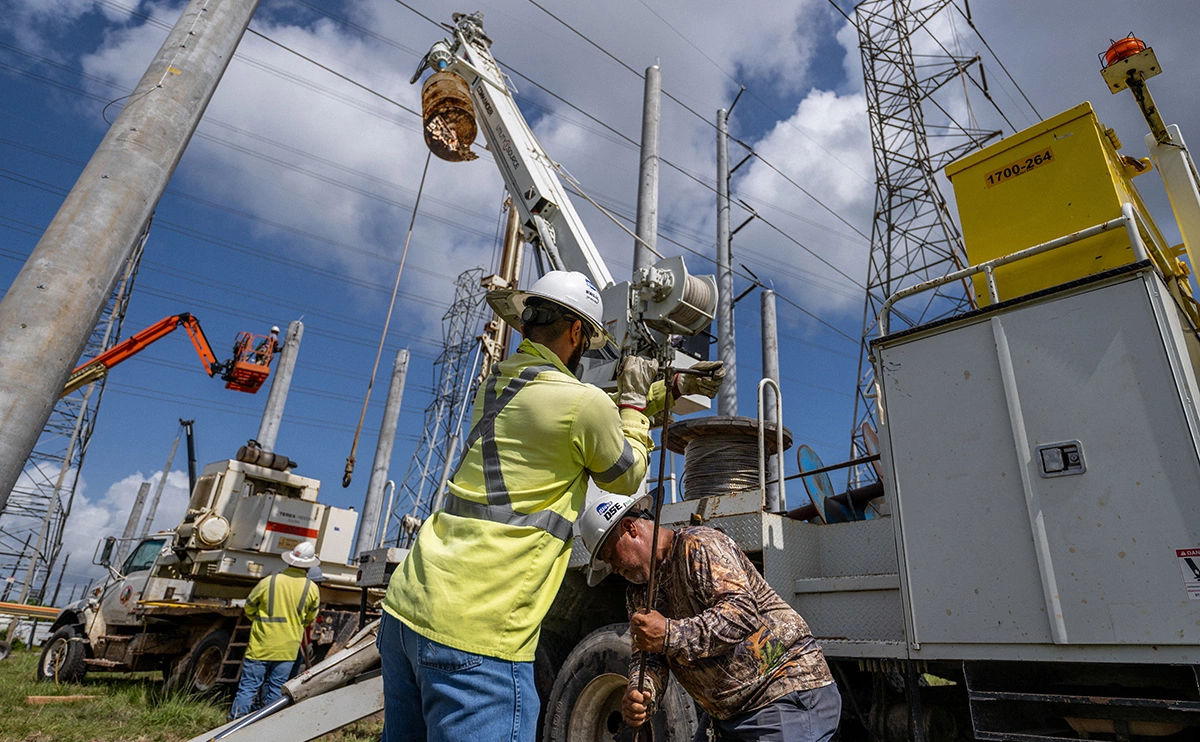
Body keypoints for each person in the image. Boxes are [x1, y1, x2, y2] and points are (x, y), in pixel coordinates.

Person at [377, 270, 724, 742]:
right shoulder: (580, 407)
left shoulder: (496, 389)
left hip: (408, 612)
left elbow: (580, 412)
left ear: (526, 323)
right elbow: (625, 473)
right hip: (479, 632)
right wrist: (639, 404)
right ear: (578, 331)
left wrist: (671, 389)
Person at [581, 493, 841, 742]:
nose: (614, 569)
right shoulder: (638, 595)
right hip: (727, 715)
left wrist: (670, 634)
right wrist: (643, 693)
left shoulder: (700, 545)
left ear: (630, 528)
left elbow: (742, 614)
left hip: (781, 693)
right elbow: (648, 656)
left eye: (611, 557)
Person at [229, 541, 321, 719]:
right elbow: (309, 619)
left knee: (248, 687)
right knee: (275, 690)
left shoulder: (269, 582)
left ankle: (234, 725)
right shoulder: (312, 589)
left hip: (260, 646)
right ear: (308, 566)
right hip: (287, 650)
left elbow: (249, 607)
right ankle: (265, 727)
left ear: (289, 561)